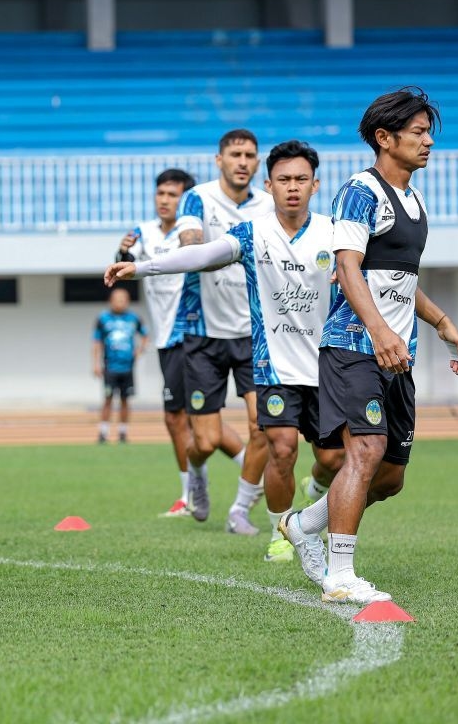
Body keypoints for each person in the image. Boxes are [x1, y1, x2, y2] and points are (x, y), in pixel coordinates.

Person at [107, 141, 344, 566]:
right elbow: (198, 248)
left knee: (331, 459)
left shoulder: (333, 233)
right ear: (271, 185)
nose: (292, 187)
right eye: (285, 180)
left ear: (315, 184)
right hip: (229, 343)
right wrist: (141, 266)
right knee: (261, 444)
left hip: (314, 360)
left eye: (301, 179)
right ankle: (278, 530)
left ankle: (285, 503)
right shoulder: (242, 223)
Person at [279, 88, 458, 604]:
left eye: (429, 132)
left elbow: (401, 281)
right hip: (354, 347)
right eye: (418, 133)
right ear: (385, 139)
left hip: (395, 353)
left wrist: (441, 322)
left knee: (388, 478)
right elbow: (348, 267)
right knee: (365, 449)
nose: (428, 142)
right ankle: (340, 575)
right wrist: (381, 332)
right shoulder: (361, 192)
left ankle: (303, 524)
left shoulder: (413, 198)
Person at [116, 168, 248, 517]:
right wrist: (122, 253)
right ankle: (211, 484)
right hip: (164, 337)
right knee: (181, 419)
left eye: (173, 195)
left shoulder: (194, 233)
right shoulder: (142, 231)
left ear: (186, 200)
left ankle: (229, 480)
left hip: (188, 332)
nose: (164, 200)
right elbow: (124, 271)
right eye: (160, 193)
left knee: (195, 418)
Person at [170, 130, 274, 534]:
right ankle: (196, 471)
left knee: (261, 426)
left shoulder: (268, 205)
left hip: (254, 334)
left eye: (250, 155)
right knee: (207, 439)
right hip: (203, 333)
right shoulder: (198, 197)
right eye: (235, 154)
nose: (243, 161)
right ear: (219, 160)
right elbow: (191, 246)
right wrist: (215, 251)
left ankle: (240, 511)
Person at [92, 287, 147, 444]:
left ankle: (123, 433)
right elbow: (96, 342)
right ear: (111, 300)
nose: (121, 302)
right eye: (118, 299)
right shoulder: (103, 318)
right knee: (107, 399)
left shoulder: (133, 318)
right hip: (110, 367)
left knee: (125, 400)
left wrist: (139, 350)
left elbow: (145, 336)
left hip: (128, 367)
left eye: (124, 299)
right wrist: (95, 363)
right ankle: (103, 432)